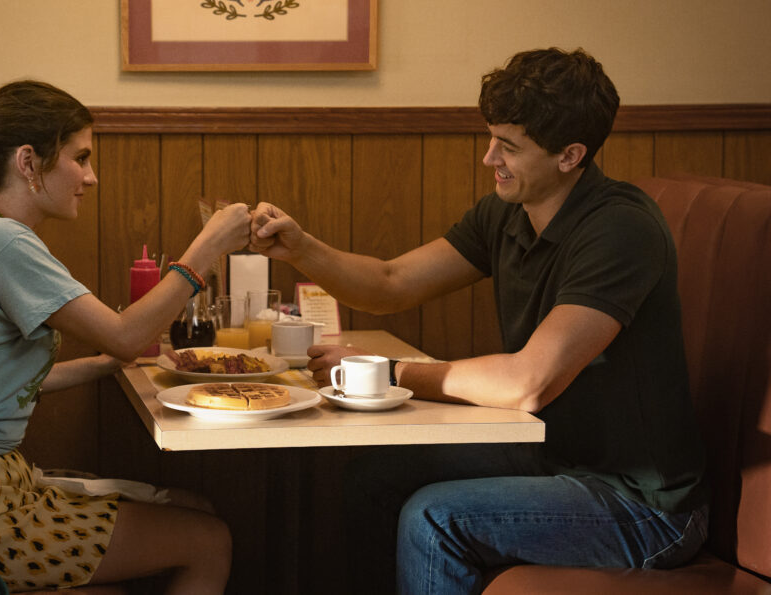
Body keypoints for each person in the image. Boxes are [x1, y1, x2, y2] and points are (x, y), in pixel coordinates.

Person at [249, 48, 709, 594]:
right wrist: (300, 248)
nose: (488, 157)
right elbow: (392, 283)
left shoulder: (620, 229)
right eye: (491, 137)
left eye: (509, 147)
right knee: (375, 476)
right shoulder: (508, 212)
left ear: (570, 156)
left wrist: (391, 372)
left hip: (641, 504)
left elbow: (528, 383)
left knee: (435, 517)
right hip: (553, 454)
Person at [0, 80, 249, 594]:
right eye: (80, 158)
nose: (91, 176)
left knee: (193, 512)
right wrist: (206, 247)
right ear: (29, 162)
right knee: (208, 539)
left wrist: (108, 364)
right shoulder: (2, 241)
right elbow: (126, 334)